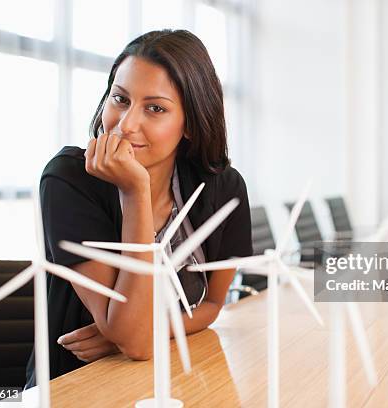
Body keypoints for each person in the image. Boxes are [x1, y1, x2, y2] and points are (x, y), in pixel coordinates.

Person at [25, 29, 252, 387]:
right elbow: (133, 342)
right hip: (77, 386)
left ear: (191, 123)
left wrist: (146, 330)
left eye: (155, 108)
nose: (126, 124)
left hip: (175, 380)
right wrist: (135, 193)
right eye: (120, 99)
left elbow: (210, 307)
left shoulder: (224, 188)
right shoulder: (68, 179)